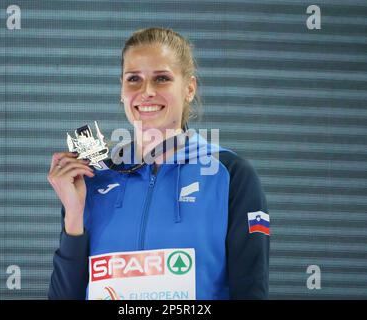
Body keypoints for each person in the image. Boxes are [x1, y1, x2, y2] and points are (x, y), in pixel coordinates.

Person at [47, 27, 270, 300]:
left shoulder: (230, 174)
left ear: (189, 88)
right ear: (121, 90)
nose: (146, 92)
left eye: (162, 78)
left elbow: (250, 291)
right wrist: (73, 213)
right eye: (133, 79)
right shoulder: (93, 178)